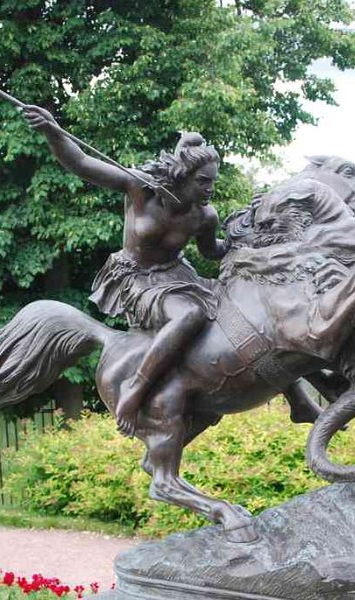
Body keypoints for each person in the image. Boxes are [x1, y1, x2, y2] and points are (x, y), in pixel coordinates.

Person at [22, 105, 228, 436]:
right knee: (190, 315)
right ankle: (135, 388)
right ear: (183, 176)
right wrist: (52, 130)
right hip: (135, 278)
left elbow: (211, 251)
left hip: (178, 276)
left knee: (239, 309)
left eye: (213, 182)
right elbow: (82, 163)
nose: (210, 189)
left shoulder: (205, 215)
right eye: (203, 182)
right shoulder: (141, 189)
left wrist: (242, 241)